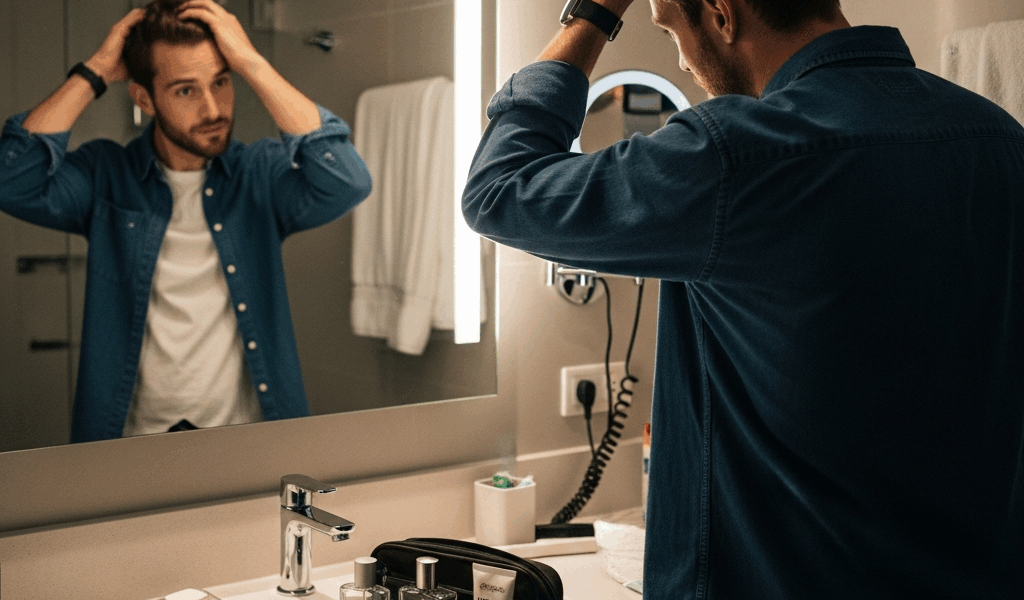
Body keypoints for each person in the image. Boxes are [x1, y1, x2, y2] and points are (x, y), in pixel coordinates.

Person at [463, 0, 1023, 598]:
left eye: (673, 30)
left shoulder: (738, 155)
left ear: (721, 16)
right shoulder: (1002, 139)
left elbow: (501, 189)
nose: (680, 60)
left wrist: (594, 13)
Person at [0, 0, 372, 443]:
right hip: (131, 439)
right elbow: (12, 180)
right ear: (144, 98)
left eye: (221, 81)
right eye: (185, 90)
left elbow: (347, 181)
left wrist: (251, 62)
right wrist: (97, 69)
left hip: (249, 435)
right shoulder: (107, 176)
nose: (213, 109)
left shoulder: (259, 174)